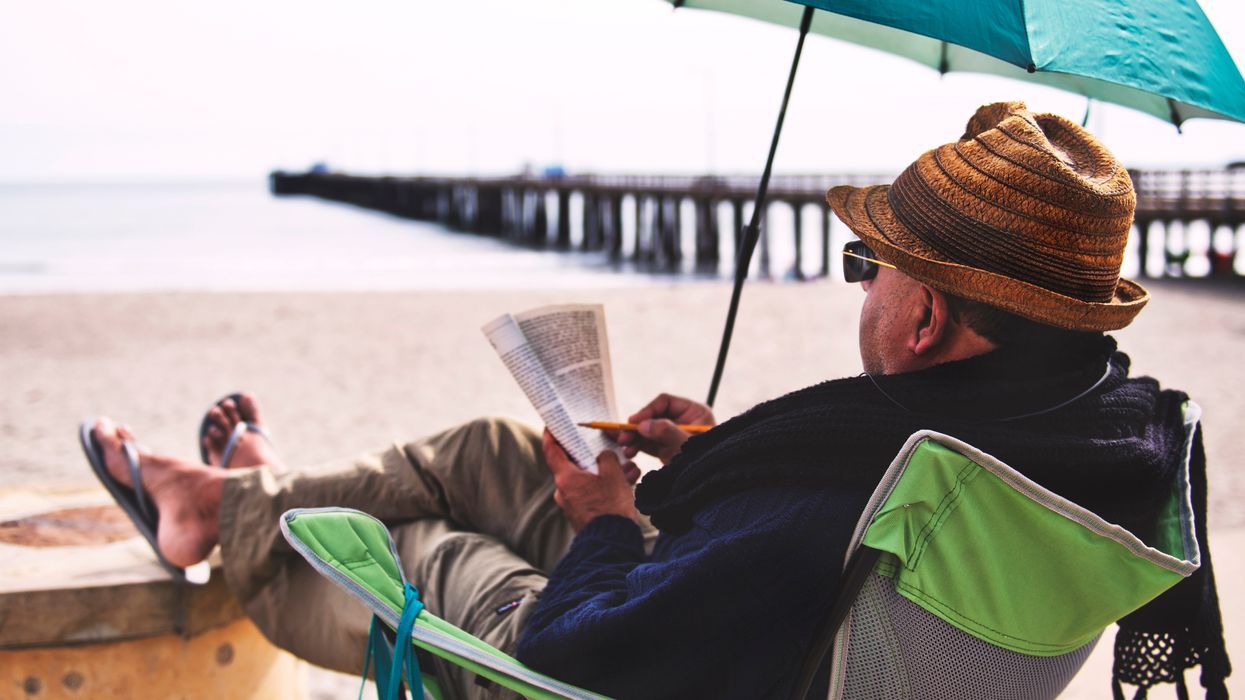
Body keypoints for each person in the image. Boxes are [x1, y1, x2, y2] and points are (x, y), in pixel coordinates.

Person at [81, 102, 1229, 699]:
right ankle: (226, 494)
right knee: (494, 446)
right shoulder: (1082, 437)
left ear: (924, 319)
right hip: (781, 615)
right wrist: (725, 454)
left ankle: (229, 512)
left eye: (866, 269)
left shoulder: (847, 499)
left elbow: (588, 649)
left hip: (602, 664)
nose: (862, 287)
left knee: (414, 539)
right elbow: (819, 523)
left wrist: (609, 520)